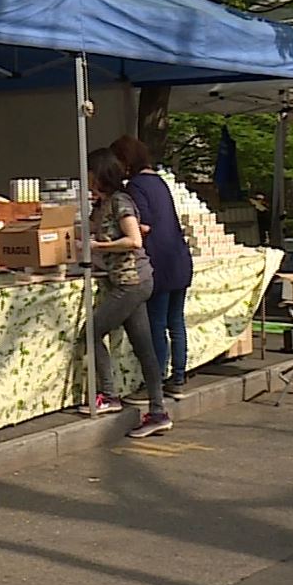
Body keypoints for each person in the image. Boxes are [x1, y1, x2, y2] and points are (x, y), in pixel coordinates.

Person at [79, 148, 172, 438]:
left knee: (90, 333)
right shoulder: (104, 204)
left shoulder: (121, 202)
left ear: (100, 173)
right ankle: (158, 412)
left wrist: (99, 247)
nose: (87, 178)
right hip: (128, 282)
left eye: (90, 173)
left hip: (131, 282)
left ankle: (108, 395)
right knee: (143, 347)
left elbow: (133, 240)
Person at [110, 135, 193, 403]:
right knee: (176, 322)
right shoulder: (159, 181)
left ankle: (154, 381)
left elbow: (143, 226)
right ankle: (178, 379)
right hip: (179, 258)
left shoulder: (135, 186)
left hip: (158, 261)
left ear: (125, 161)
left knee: (157, 323)